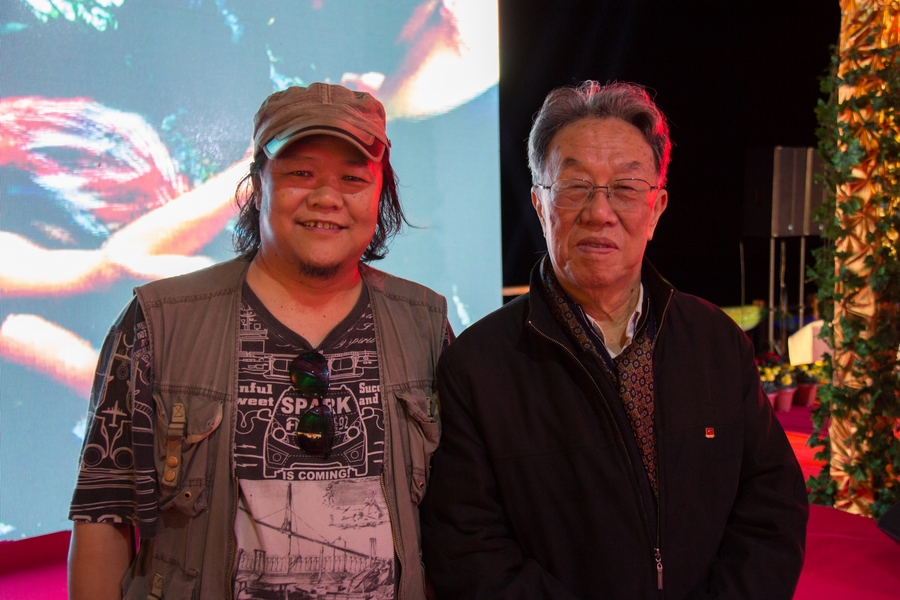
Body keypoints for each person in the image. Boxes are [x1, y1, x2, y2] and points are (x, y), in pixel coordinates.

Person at [420, 81, 808, 599]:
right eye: (574, 186)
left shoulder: (716, 343)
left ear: (657, 208)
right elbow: (469, 549)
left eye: (625, 188)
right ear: (539, 204)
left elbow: (772, 505)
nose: (599, 212)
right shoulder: (478, 366)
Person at [68, 83, 449, 600]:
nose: (326, 198)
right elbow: (103, 516)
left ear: (381, 193)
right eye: (300, 173)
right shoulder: (157, 323)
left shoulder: (426, 325)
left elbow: (460, 522)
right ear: (258, 183)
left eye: (353, 178)